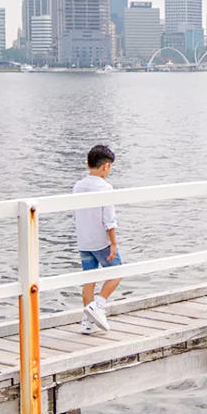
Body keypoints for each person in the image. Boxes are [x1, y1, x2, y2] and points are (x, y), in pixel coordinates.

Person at [73, 144, 120, 335]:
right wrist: (114, 243)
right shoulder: (105, 187)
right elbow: (109, 220)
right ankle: (98, 305)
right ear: (106, 166)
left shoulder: (78, 186)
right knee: (117, 271)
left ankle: (87, 323)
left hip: (84, 240)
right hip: (101, 240)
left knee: (88, 280)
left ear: (88, 164)